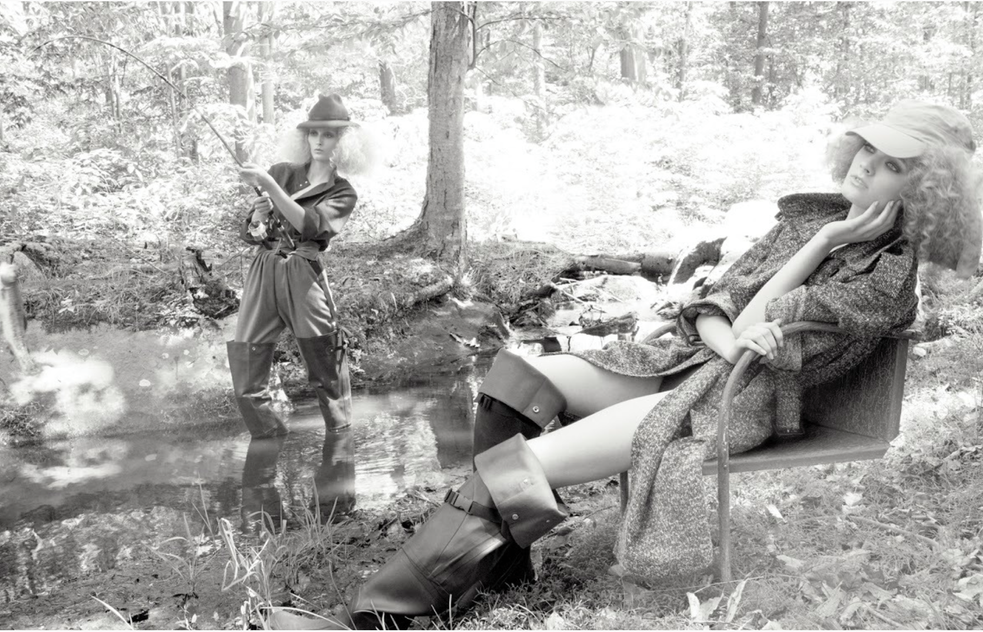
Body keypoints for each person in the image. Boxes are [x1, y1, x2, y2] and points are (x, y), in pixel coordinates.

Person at [322, 100, 981, 629]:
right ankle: (506, 566)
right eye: (867, 146)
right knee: (516, 377)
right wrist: (739, 315)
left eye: (890, 163)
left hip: (729, 400)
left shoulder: (883, 277)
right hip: (692, 360)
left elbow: (754, 328)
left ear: (923, 188)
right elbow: (716, 301)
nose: (865, 165)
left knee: (511, 470)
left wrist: (825, 245)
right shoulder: (805, 218)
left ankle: (377, 619)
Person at [227, 94, 361, 487]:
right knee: (247, 364)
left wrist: (270, 189)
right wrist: (258, 217)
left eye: (330, 136)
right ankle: (268, 448)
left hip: (304, 274)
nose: (320, 141)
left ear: (344, 143)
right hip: (264, 270)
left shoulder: (343, 192)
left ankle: (339, 469)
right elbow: (251, 235)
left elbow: (312, 227)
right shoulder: (283, 171)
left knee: (325, 367)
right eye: (314, 133)